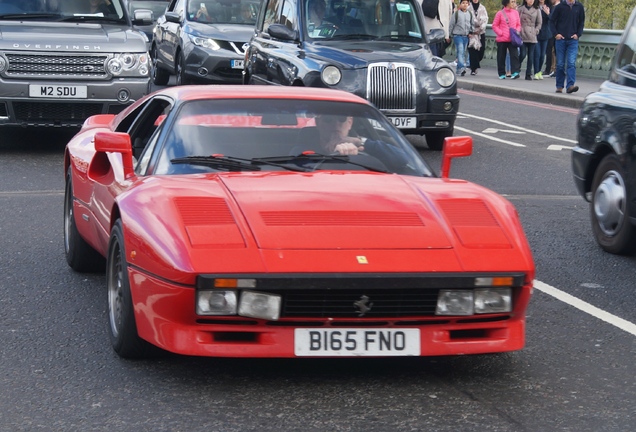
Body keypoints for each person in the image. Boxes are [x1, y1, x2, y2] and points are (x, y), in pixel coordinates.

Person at [291, 115, 409, 171]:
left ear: (350, 123)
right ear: (318, 123)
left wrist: (361, 143)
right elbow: (292, 163)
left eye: (341, 119)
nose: (335, 124)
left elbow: (403, 159)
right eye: (328, 119)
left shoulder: (366, 146)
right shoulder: (305, 146)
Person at [549, 0, 585, 93]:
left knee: (571, 63)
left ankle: (570, 86)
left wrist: (578, 34)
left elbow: (581, 22)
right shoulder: (560, 7)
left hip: (573, 40)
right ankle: (559, 86)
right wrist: (556, 34)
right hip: (561, 39)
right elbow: (552, 21)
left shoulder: (579, 7)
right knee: (560, 64)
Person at [492, 0, 521, 79]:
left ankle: (515, 72)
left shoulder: (516, 13)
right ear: (507, 3)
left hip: (512, 38)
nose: (514, 3)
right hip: (502, 38)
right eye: (512, 1)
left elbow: (518, 24)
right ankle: (501, 73)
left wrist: (517, 31)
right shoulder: (500, 13)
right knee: (501, 56)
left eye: (514, 1)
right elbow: (495, 25)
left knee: (514, 55)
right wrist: (501, 33)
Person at [517, 0, 541, 80]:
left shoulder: (537, 10)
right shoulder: (521, 9)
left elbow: (539, 23)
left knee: (531, 56)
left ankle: (528, 74)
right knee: (523, 54)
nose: (531, 1)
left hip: (532, 34)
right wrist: (519, 30)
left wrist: (536, 30)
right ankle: (517, 68)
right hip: (522, 33)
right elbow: (516, 20)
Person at [449, 0, 474, 76]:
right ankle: (461, 67)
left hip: (466, 36)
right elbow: (451, 25)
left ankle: (458, 69)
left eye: (466, 3)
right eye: (463, 3)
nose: (465, 5)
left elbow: (472, 24)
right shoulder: (456, 14)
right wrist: (449, 35)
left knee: (463, 52)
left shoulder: (469, 14)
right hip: (457, 35)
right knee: (460, 51)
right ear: (460, 4)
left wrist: (470, 32)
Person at [467, 0, 488, 75]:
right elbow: (466, 20)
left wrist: (481, 28)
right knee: (472, 50)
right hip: (471, 33)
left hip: (480, 32)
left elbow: (485, 19)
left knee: (481, 51)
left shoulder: (482, 8)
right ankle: (473, 68)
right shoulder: (468, 8)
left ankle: (476, 63)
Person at [533, 0, 552, 79]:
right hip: (536, 33)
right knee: (537, 53)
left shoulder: (548, 6)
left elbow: (553, 20)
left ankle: (539, 71)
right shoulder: (534, 7)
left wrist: (548, 13)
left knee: (542, 55)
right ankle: (536, 72)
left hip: (545, 33)